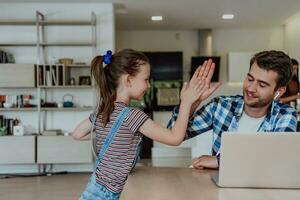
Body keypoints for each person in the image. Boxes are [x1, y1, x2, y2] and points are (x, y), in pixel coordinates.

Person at [72, 49, 206, 200]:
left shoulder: (103, 112)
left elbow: (77, 134)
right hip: (104, 195)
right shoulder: (133, 116)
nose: (148, 85)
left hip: (95, 188)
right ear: (128, 80)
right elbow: (175, 138)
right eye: (146, 79)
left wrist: (109, 133)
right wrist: (186, 102)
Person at [167, 50, 297, 170]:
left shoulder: (284, 115)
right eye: (250, 79)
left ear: (279, 91)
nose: (251, 88)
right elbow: (173, 134)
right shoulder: (222, 106)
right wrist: (189, 103)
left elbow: (278, 160)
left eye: (262, 85)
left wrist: (220, 161)